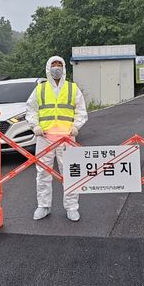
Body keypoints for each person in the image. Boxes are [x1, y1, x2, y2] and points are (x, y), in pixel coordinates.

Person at [26, 56, 88, 222]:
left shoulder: (72, 88)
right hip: (44, 137)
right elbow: (30, 110)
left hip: (66, 138)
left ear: (64, 68)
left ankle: (72, 207)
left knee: (70, 172)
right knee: (42, 173)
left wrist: (76, 126)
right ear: (48, 67)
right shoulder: (40, 89)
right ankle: (44, 206)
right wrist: (35, 126)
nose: (56, 67)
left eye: (59, 64)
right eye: (53, 64)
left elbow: (81, 111)